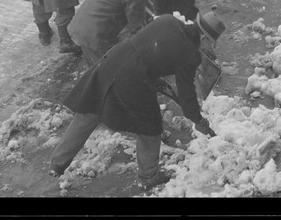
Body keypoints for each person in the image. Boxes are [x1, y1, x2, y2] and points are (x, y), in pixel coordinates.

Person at [52, 11, 224, 190]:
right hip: (133, 79)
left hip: (114, 59)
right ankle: (149, 176)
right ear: (203, 38)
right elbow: (187, 96)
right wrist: (199, 121)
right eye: (210, 43)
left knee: (90, 111)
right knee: (150, 127)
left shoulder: (169, 20)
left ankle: (57, 163)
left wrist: (153, 74)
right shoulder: (190, 55)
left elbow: (149, 48)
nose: (209, 48)